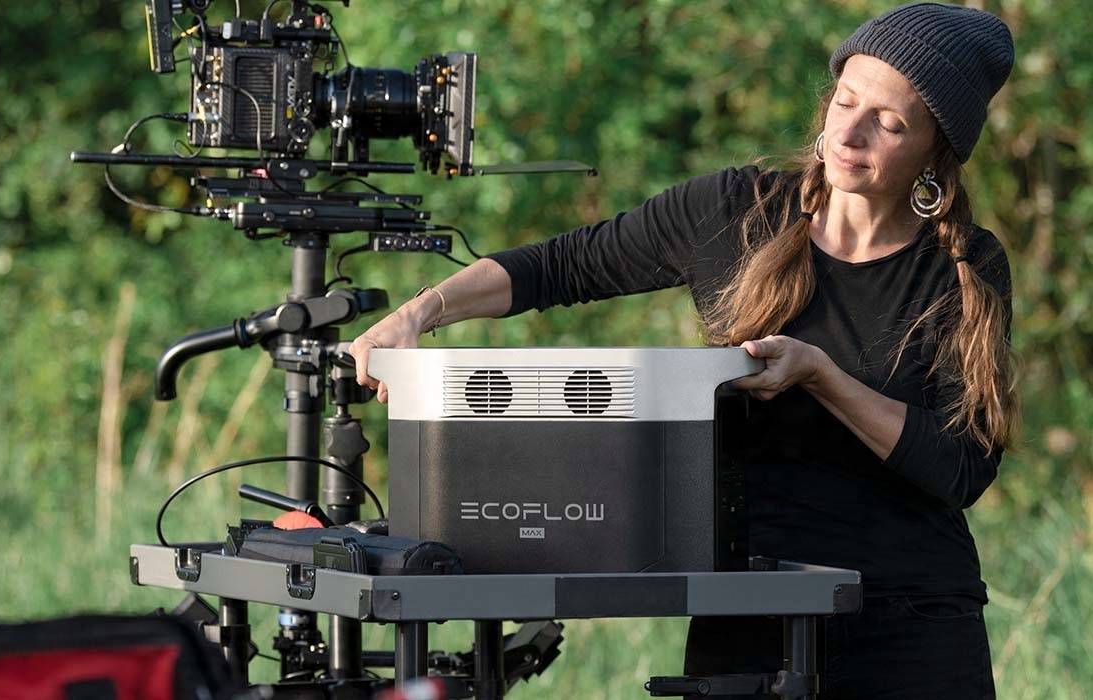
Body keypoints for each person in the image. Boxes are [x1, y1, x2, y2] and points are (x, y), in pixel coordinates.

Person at [350, 3, 1018, 697]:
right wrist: (419, 313)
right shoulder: (733, 211)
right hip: (747, 612)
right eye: (845, 101)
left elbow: (962, 468)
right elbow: (561, 265)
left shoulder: (965, 267)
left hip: (912, 628)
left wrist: (822, 376)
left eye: (889, 122)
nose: (849, 133)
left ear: (935, 150)